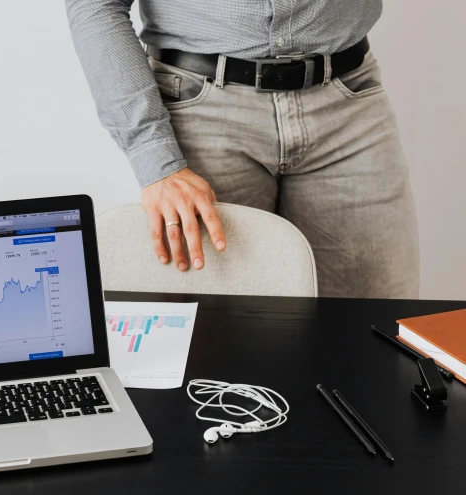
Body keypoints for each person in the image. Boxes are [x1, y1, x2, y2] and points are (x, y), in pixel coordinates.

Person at [65, 1, 419, 298]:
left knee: (379, 326)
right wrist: (155, 158)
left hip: (349, 103)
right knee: (218, 341)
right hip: (202, 113)